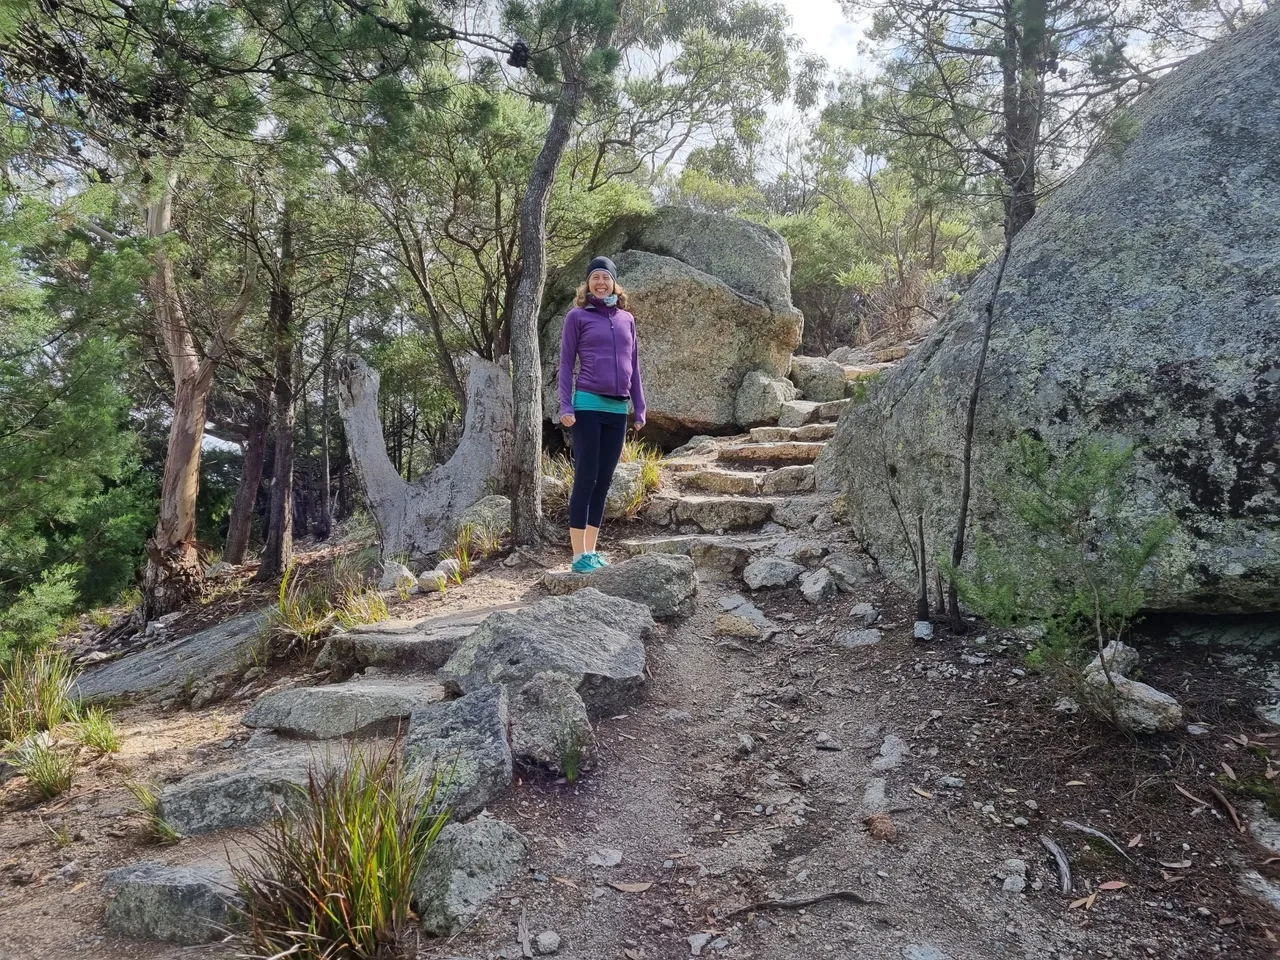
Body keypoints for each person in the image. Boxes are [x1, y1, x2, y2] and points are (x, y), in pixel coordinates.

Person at [558, 255, 646, 574]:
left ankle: (591, 552)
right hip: (587, 406)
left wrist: (640, 407)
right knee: (586, 477)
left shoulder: (627, 319)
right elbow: (567, 364)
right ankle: (578, 554)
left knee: (604, 481)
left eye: (605, 278)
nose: (600, 282)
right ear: (587, 284)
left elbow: (634, 366)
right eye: (595, 277)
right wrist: (566, 406)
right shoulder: (577, 317)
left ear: (613, 283)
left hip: (617, 409)